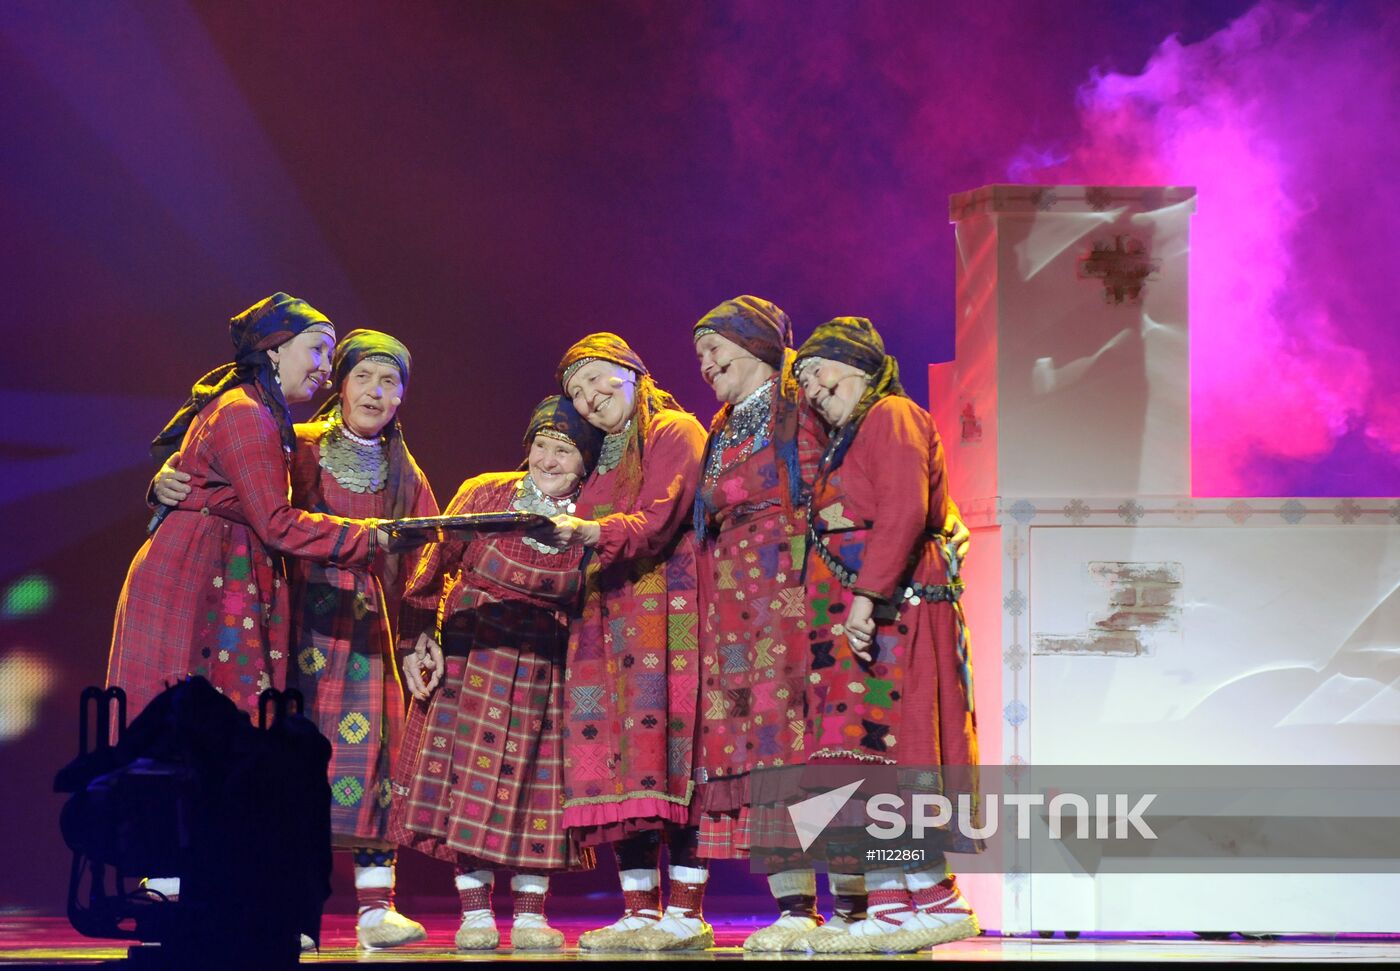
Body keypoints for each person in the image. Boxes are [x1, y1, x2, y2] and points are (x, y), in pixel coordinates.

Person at [154, 328, 438, 949]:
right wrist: (162, 480)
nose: (376, 391)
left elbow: (425, 562)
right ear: (340, 384)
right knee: (284, 761)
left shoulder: (405, 473)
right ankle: (283, 903)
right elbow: (222, 477)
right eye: (364, 376)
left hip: (366, 636)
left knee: (372, 759)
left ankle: (376, 906)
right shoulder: (295, 443)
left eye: (390, 381)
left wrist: (421, 634)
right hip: (290, 620)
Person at [110, 292, 394, 908]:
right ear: (275, 349)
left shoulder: (263, 414)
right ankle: (168, 876)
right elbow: (275, 520)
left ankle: (200, 876)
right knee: (187, 716)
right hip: (198, 574)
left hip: (228, 569)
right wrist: (369, 538)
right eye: (317, 350)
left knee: (222, 722)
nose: (325, 368)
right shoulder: (244, 413)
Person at [792, 316, 980, 953]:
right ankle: (896, 903)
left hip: (892, 607)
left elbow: (903, 509)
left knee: (894, 756)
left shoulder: (892, 415)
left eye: (816, 371)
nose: (811, 388)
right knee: (860, 759)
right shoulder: (850, 436)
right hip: (858, 608)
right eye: (802, 381)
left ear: (856, 366)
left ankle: (933, 897)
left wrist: (868, 599)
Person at [388, 396, 603, 951]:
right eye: (541, 446)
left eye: (564, 451)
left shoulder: (592, 518)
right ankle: (476, 914)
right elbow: (430, 569)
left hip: (545, 668)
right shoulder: (486, 493)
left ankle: (530, 916)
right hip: (472, 656)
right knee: (469, 783)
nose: (548, 460)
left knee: (537, 791)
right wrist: (418, 638)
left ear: (587, 462)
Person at [687, 296, 867, 951]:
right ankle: (794, 906)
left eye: (714, 348)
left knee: (818, 741)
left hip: (802, 586)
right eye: (700, 355)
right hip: (739, 602)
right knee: (762, 747)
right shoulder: (722, 426)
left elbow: (849, 476)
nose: (705, 364)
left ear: (756, 344)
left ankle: (854, 905)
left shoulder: (802, 404)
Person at [549, 334, 710, 950]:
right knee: (619, 762)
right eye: (576, 392)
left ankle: (686, 914)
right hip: (604, 623)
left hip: (668, 617)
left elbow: (658, 520)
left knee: (676, 756)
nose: (589, 398)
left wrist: (589, 531)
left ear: (634, 372)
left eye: (597, 379)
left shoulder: (674, 430)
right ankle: (640, 912)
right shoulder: (599, 456)